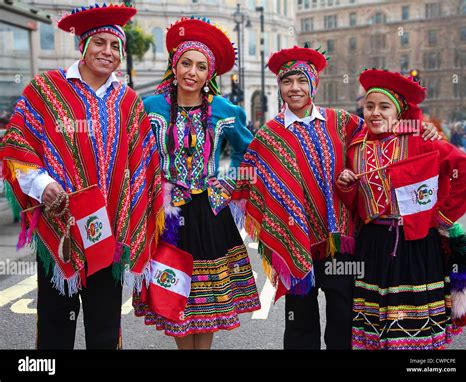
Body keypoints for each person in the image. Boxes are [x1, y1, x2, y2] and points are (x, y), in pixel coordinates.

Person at [234, 46, 440, 350]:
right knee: (299, 321)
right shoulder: (268, 136)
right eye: (287, 82)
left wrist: (421, 128)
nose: (295, 89)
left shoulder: (341, 121)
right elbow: (247, 176)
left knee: (343, 313)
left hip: (340, 242)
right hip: (295, 242)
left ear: (313, 84)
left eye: (302, 81)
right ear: (279, 86)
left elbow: (384, 128)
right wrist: (214, 188)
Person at [0, 3, 163, 349]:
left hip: (111, 235)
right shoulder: (47, 90)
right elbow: (17, 144)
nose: (108, 52)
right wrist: (42, 186)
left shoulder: (129, 102)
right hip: (59, 228)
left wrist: (136, 213)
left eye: (115, 45)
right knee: (56, 325)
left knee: (104, 327)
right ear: (83, 47)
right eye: (99, 43)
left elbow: (145, 162)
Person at [132, 17, 260, 350]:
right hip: (168, 216)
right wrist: (153, 190)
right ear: (173, 67)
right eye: (186, 63)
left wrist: (227, 184)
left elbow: (251, 153)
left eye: (201, 67)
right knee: (173, 290)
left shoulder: (224, 110)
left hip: (209, 212)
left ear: (209, 75)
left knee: (208, 299)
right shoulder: (150, 108)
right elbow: (136, 158)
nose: (192, 71)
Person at [336, 69, 466, 349]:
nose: (375, 113)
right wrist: (347, 185)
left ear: (398, 113)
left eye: (384, 107)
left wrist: (440, 216)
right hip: (373, 244)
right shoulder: (356, 148)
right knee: (376, 329)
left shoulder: (420, 140)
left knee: (412, 331)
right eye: (369, 106)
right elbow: (357, 206)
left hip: (415, 244)